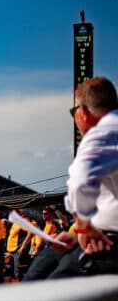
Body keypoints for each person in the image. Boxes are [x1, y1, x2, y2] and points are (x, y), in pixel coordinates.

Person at [44, 77, 118, 277]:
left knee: (40, 283)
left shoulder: (101, 133)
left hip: (109, 244)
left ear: (82, 112)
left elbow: (79, 182)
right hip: (104, 236)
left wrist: (84, 228)